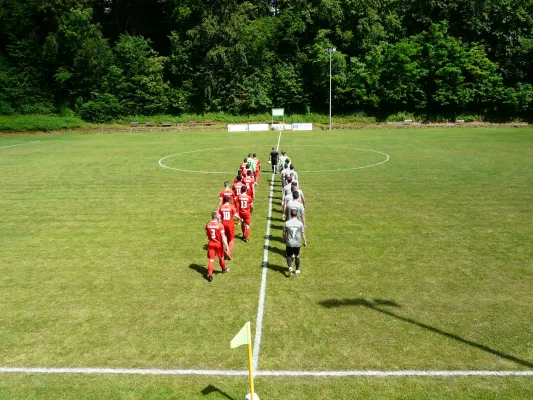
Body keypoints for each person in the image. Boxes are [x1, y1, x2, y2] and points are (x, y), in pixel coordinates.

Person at [205, 210, 229, 282]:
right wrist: (227, 245)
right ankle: (224, 269)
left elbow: (207, 233)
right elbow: (223, 236)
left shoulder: (208, 224)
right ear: (216, 217)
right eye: (218, 215)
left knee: (211, 260)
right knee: (221, 257)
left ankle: (210, 276)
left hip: (211, 244)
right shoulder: (220, 225)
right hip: (218, 244)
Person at [283, 208, 307, 275]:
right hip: (297, 244)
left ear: (290, 214)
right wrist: (304, 241)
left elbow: (284, 233)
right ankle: (297, 270)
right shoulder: (300, 224)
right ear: (297, 214)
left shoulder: (286, 223)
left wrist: (284, 239)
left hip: (289, 243)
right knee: (297, 256)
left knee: (288, 255)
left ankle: (290, 267)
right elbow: (302, 233)